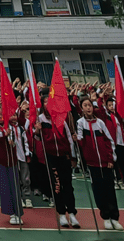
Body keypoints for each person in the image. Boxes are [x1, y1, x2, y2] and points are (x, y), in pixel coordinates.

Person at [76, 97, 122, 231]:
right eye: (85, 105)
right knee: (98, 191)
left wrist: (110, 159)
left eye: (89, 105)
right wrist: (76, 139)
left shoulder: (100, 123)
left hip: (106, 163)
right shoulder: (80, 123)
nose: (88, 108)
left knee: (110, 190)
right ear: (82, 108)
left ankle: (115, 217)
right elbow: (80, 141)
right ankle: (106, 217)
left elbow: (109, 141)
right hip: (92, 164)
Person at [37, 95, 78, 228]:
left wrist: (72, 156)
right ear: (42, 105)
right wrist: (37, 130)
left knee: (68, 185)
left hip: (64, 156)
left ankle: (72, 213)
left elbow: (69, 138)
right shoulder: (40, 120)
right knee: (57, 185)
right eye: (45, 102)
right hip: (51, 156)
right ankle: (61, 213)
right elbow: (37, 138)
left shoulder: (61, 118)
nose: (48, 104)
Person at [0, 107, 24, 226]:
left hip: (13, 160)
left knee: (15, 185)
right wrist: (5, 133)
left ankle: (18, 212)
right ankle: (11, 213)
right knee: (5, 187)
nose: (0, 116)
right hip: (2, 161)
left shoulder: (11, 127)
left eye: (2, 114)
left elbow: (15, 140)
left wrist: (11, 140)